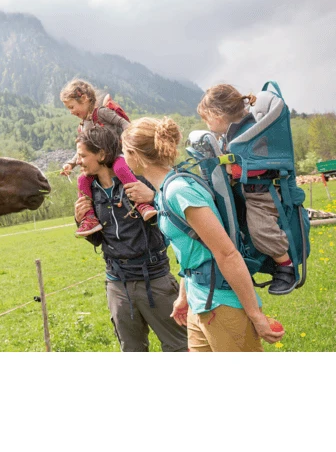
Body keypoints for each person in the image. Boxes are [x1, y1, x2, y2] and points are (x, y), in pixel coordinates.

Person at [121, 116, 285, 352]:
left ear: (135, 154)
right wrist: (183, 296)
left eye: (124, 151)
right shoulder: (164, 191)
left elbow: (227, 253)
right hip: (199, 303)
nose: (123, 158)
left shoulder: (180, 192)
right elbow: (194, 249)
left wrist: (255, 315)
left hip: (223, 304)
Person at [73, 126, 187, 352]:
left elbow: (172, 221)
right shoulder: (89, 190)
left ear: (101, 154)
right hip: (117, 283)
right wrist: (80, 220)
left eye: (83, 155)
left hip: (154, 279)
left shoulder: (138, 179)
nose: (78, 161)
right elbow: (97, 240)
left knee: (179, 347)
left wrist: (153, 199)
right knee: (131, 350)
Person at [197, 84, 296, 295]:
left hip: (262, 194)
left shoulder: (251, 132)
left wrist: (230, 166)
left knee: (261, 231)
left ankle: (286, 267)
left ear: (217, 115)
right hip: (246, 191)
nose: (207, 124)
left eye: (207, 119)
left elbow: (261, 163)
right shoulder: (232, 135)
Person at [60, 78, 156, 238]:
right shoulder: (83, 126)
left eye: (72, 106)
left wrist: (130, 139)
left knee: (120, 168)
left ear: (84, 99)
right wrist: (71, 164)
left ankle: (141, 204)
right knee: (82, 179)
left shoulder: (102, 113)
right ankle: (89, 217)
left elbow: (123, 123)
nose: (71, 111)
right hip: (99, 160)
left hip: (116, 154)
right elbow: (83, 149)